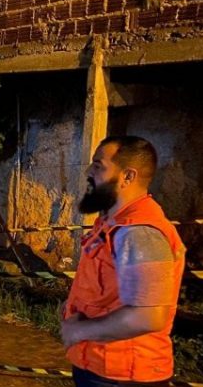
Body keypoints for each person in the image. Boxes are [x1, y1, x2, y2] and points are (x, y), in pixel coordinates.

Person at [61, 136, 186, 386]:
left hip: (124, 376)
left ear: (128, 177)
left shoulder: (138, 232)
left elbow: (148, 317)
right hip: (100, 368)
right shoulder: (113, 225)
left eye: (98, 165)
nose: (89, 172)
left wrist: (78, 331)